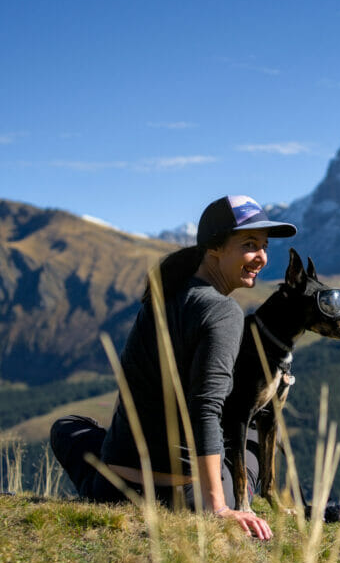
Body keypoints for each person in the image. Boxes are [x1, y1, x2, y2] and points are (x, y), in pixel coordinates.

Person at [50, 195, 296, 540]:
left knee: (69, 427)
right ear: (215, 248)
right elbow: (205, 409)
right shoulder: (223, 313)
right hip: (181, 498)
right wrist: (219, 508)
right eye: (250, 245)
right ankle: (244, 495)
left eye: (265, 247)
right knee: (252, 433)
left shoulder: (161, 296)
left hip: (111, 488)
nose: (262, 257)